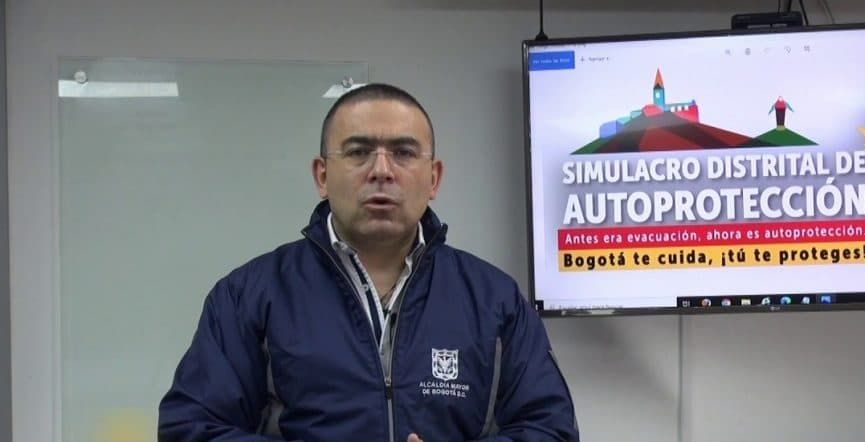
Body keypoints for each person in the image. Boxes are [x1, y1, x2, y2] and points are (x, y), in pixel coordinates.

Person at [158, 83, 579, 441]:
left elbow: (552, 429)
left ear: (433, 178)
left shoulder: (494, 300)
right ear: (322, 175)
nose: (382, 170)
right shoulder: (249, 296)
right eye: (358, 152)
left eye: (403, 152)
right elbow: (190, 428)